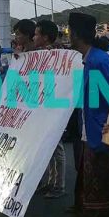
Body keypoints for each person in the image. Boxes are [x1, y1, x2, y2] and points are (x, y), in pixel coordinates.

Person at [69, 12, 109, 217]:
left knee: (102, 182)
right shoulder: (90, 58)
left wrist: (103, 131)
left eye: (69, 31)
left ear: (76, 34)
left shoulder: (98, 61)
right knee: (91, 181)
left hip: (101, 132)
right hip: (92, 129)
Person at [33, 20, 66, 199]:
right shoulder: (36, 54)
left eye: (37, 34)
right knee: (45, 146)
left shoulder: (56, 55)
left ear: (45, 37)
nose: (34, 37)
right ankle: (49, 182)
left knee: (56, 147)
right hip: (41, 106)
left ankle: (58, 185)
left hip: (52, 107)